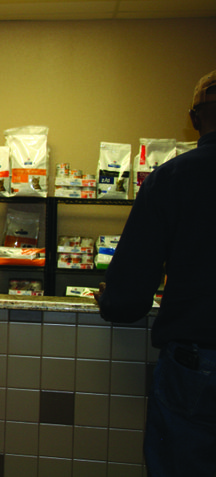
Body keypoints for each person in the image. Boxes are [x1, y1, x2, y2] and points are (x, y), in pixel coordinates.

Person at [95, 69, 216, 476]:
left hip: (199, 363)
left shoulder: (175, 177)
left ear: (194, 118)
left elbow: (129, 292)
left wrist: (111, 300)